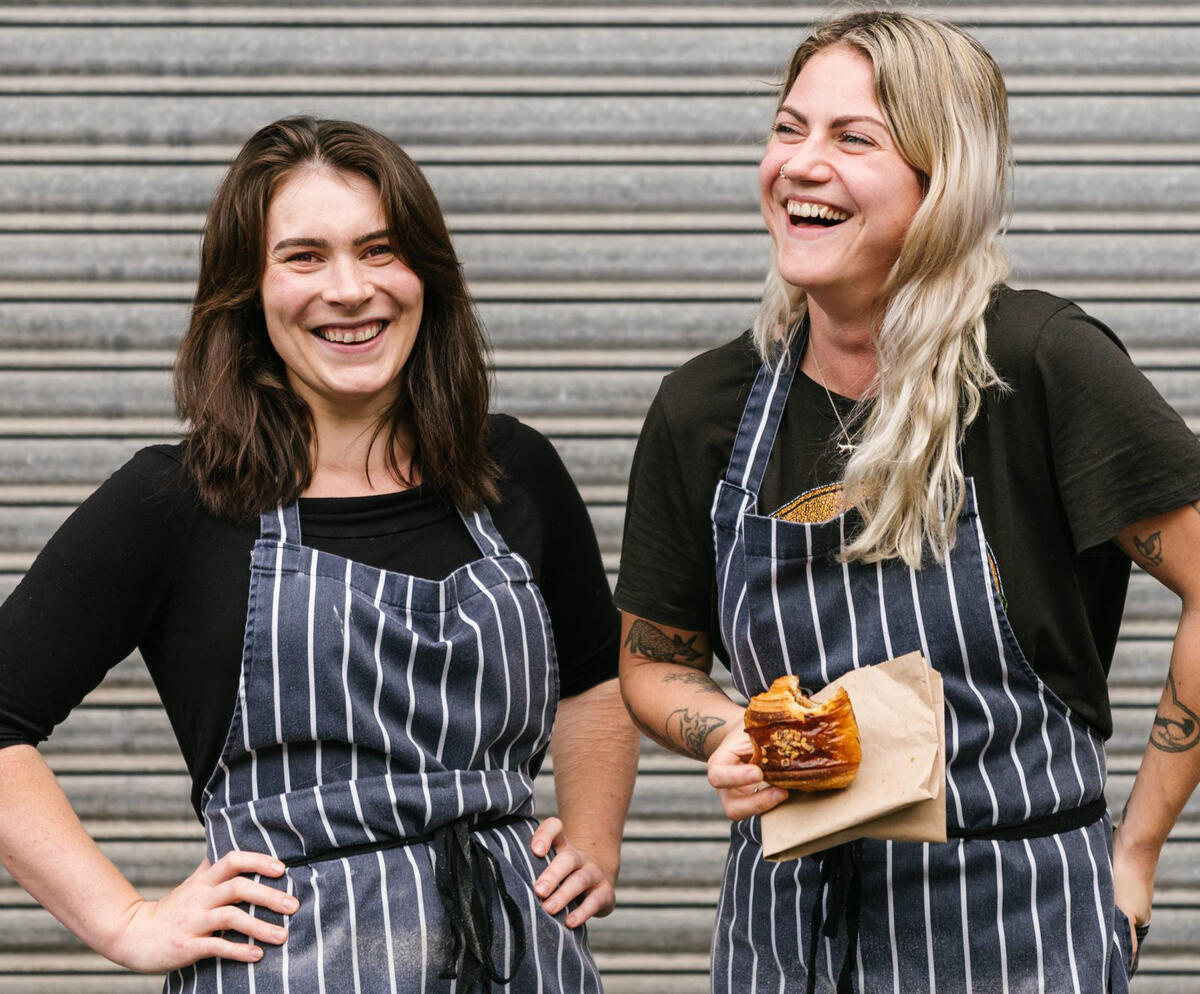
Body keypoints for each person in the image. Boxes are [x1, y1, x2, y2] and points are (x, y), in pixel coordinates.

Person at [616, 10, 1200, 994]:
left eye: (854, 139)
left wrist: (1135, 854)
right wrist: (729, 734)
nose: (801, 165)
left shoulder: (1038, 367)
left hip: (1017, 925)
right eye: (789, 128)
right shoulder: (705, 409)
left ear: (944, 178)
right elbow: (651, 661)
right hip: (787, 931)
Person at [0, 116, 638, 993]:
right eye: (304, 257)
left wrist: (595, 840)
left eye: (380, 250)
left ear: (426, 274)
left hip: (521, 961)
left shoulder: (511, 470)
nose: (350, 289)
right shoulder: (177, 503)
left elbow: (596, 678)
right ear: (248, 290)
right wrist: (126, 921)